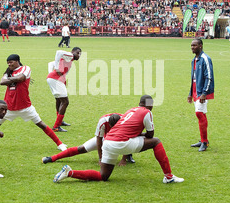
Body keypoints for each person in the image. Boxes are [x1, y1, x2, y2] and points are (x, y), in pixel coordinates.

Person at [53, 95, 184, 184]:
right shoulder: (147, 112)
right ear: (150, 105)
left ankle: (70, 173)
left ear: (139, 103)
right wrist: (142, 135)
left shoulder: (130, 110)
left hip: (108, 143)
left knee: (103, 176)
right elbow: (150, 135)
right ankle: (169, 176)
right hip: (122, 143)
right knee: (156, 141)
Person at [0, 54, 67, 151]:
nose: (9, 65)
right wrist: (11, 78)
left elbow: (20, 78)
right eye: (8, 63)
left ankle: (60, 144)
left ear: (17, 61)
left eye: (11, 62)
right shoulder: (8, 72)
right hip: (9, 107)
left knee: (41, 124)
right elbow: (2, 82)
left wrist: (8, 79)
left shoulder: (25, 68)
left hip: (25, 106)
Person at [42, 113, 134, 165]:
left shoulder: (125, 123)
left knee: (130, 142)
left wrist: (123, 160)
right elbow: (99, 140)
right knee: (81, 148)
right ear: (109, 124)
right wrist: (100, 158)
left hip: (120, 140)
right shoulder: (103, 121)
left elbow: (128, 139)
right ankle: (52, 158)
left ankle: (128, 155)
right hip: (106, 139)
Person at [46, 47, 82, 132]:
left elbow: (50, 64)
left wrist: (51, 72)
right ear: (73, 52)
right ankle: (56, 126)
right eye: (78, 53)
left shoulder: (69, 60)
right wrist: (57, 69)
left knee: (59, 100)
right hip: (55, 79)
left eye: (80, 54)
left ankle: (59, 121)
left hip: (54, 79)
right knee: (65, 102)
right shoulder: (70, 55)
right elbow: (58, 52)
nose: (79, 55)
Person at [188, 39, 214, 152]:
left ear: (201, 46)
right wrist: (190, 93)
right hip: (195, 91)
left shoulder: (205, 59)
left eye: (194, 45)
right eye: (191, 45)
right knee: (201, 114)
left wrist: (204, 93)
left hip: (202, 92)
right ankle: (204, 140)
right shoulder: (194, 60)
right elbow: (193, 78)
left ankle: (204, 141)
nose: (192, 47)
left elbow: (209, 76)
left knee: (199, 113)